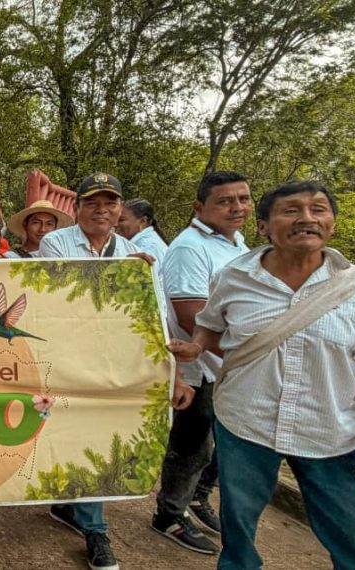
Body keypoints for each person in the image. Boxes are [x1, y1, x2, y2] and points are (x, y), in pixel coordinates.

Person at [169, 180, 355, 570]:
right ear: (263, 226)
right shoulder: (234, 277)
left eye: (318, 209)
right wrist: (197, 347)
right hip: (246, 425)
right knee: (238, 532)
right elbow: (209, 323)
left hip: (332, 430)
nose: (306, 218)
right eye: (291, 210)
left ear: (332, 222)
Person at [38, 172, 183, 570]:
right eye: (92, 202)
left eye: (110, 203)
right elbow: (62, 294)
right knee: (60, 431)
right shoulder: (56, 242)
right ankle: (69, 507)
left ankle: (95, 530)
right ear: (78, 207)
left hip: (111, 362)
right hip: (65, 357)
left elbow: (154, 314)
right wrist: (119, 275)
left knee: (98, 437)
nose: (102, 210)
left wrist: (176, 370)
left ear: (120, 209)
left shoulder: (138, 255)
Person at [150, 171, 251, 552]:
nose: (237, 207)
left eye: (243, 199)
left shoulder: (237, 243)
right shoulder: (191, 248)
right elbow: (192, 315)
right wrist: (247, 354)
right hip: (197, 364)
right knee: (192, 444)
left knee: (211, 445)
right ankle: (169, 515)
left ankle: (192, 500)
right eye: (225, 201)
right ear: (199, 207)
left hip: (225, 362)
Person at [6, 199, 73, 257]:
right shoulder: (11, 257)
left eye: (49, 224)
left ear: (55, 228)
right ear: (25, 225)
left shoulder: (63, 256)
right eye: (36, 223)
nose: (42, 229)